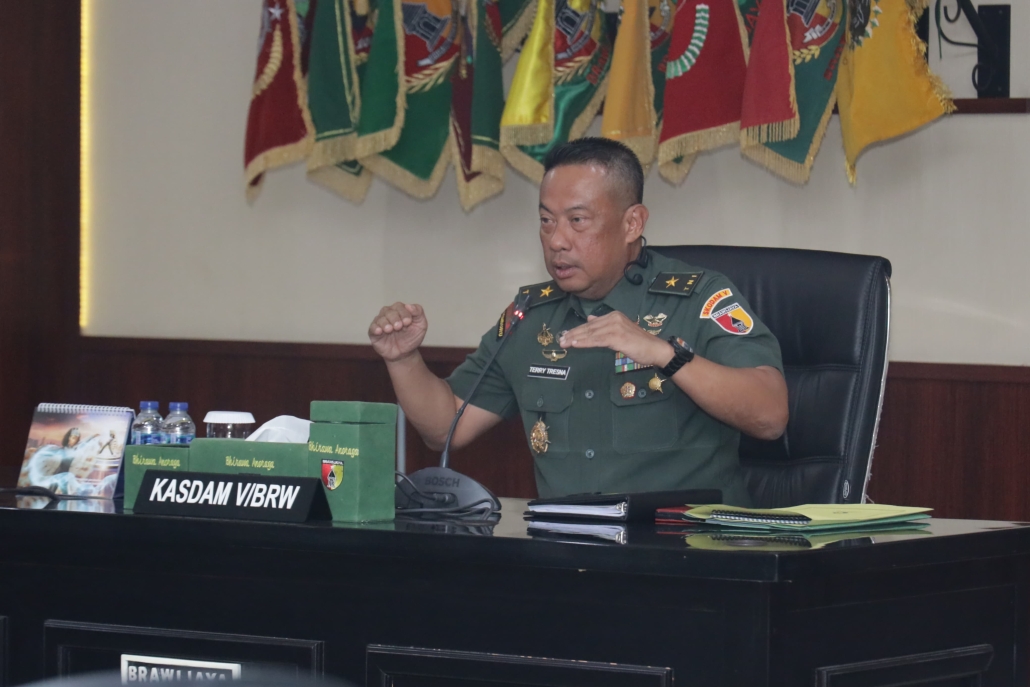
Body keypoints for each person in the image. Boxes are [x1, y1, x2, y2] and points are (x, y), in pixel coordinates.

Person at [369, 138, 787, 506]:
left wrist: (664, 354)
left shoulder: (698, 299)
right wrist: (403, 360)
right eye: (546, 221)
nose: (556, 240)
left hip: (685, 551)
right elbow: (446, 427)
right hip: (569, 550)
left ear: (632, 223)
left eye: (577, 221)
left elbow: (770, 416)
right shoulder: (530, 315)